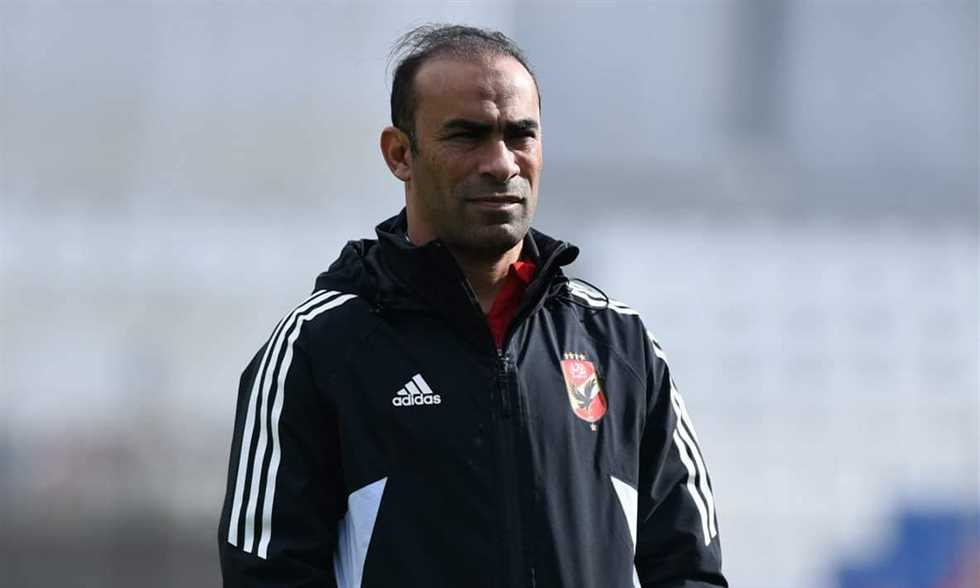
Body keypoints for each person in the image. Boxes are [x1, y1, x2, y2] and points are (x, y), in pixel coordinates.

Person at [218, 24, 728, 588]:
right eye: (467, 135)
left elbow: (689, 570)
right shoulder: (317, 349)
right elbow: (267, 576)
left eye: (521, 135)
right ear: (400, 154)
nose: (502, 163)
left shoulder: (620, 344)